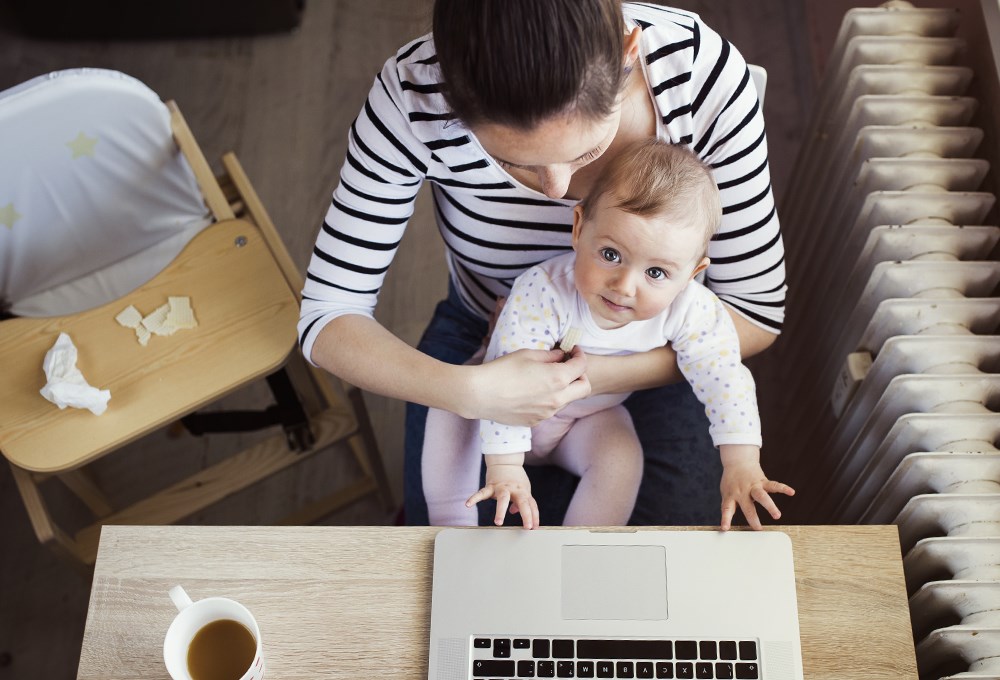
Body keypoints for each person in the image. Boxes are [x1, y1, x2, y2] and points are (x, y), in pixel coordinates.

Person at [298, 1, 786, 526]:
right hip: (482, 338)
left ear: (628, 55)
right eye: (512, 162)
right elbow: (327, 315)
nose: (558, 192)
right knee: (454, 548)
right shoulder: (414, 95)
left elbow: (754, 314)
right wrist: (472, 391)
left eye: (586, 152)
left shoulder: (699, 80)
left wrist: (591, 374)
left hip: (654, 348)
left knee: (667, 555)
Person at [422, 139, 793, 530]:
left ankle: (582, 544)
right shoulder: (544, 291)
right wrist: (506, 467)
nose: (624, 286)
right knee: (450, 411)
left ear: (693, 273)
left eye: (656, 273)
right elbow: (505, 379)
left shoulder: (693, 309)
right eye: (611, 255)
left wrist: (741, 462)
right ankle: (449, 526)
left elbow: (725, 379)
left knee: (620, 456)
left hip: (584, 421)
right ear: (579, 228)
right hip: (499, 406)